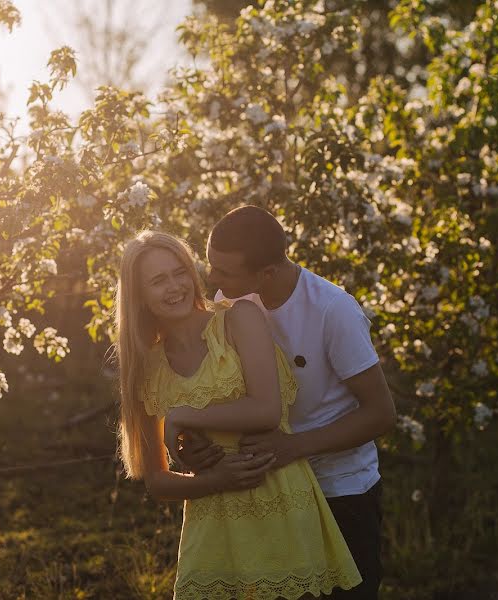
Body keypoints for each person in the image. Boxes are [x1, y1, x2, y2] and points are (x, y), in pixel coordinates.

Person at [115, 230, 362, 599]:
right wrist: (216, 480)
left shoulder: (237, 319)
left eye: (179, 271)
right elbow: (156, 481)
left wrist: (185, 415)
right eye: (158, 280)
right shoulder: (145, 368)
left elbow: (266, 410)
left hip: (278, 503)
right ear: (140, 296)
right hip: (213, 526)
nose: (175, 286)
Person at [177, 205, 396, 600]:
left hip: (340, 493)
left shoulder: (333, 310)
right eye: (211, 265)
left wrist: (292, 447)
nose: (213, 279)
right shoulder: (230, 299)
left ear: (267, 274)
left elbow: (381, 414)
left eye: (224, 271)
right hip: (271, 490)